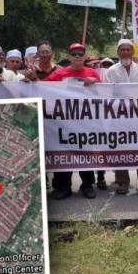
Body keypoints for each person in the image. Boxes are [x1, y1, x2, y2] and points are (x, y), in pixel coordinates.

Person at [104, 39, 138, 197]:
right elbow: (107, 93)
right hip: (119, 117)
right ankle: (122, 183)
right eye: (123, 50)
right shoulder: (112, 71)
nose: (126, 52)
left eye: (129, 50)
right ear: (118, 53)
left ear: (133, 52)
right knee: (120, 150)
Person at [45, 43, 101, 199]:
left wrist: (95, 83)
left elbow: (104, 93)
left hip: (85, 122)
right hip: (64, 122)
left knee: (86, 152)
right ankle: (63, 187)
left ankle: (87, 184)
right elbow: (42, 89)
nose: (77, 57)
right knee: (63, 153)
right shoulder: (59, 74)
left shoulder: (92, 73)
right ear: (69, 56)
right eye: (74, 54)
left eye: (80, 54)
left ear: (84, 57)